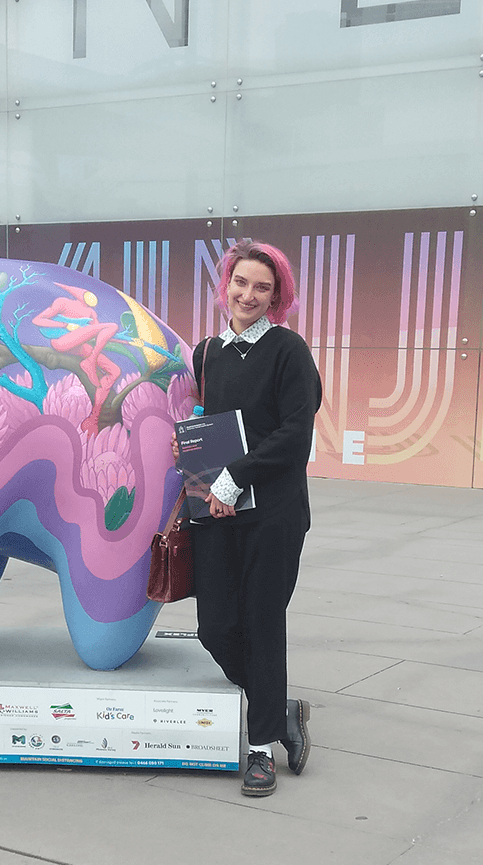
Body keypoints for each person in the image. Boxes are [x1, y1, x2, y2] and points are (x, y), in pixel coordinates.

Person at [186, 239, 321, 797]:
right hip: (217, 509)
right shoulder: (207, 352)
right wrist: (195, 470)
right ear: (226, 286)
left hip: (275, 511)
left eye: (262, 287)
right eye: (240, 282)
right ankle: (280, 705)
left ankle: (261, 748)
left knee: (263, 622)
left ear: (277, 296)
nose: (248, 294)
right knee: (215, 628)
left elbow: (296, 434)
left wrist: (236, 473)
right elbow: (207, 424)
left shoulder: (289, 351)